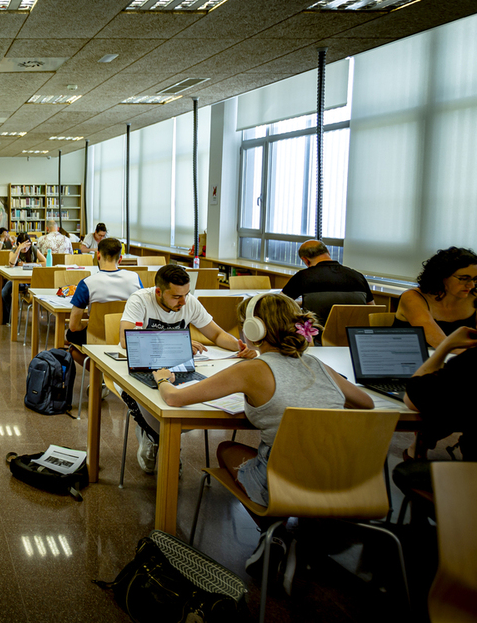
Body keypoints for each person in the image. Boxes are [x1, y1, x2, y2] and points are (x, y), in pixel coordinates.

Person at [150, 293, 373, 570]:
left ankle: (273, 533)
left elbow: (174, 399)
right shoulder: (317, 365)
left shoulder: (252, 370)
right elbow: (366, 403)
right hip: (347, 481)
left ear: (255, 329)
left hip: (282, 484)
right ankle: (310, 530)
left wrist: (162, 379)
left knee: (226, 449)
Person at [119, 264, 258, 474]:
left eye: (186, 294)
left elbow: (217, 335)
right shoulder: (140, 300)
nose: (183, 302)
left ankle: (162, 438)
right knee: (137, 394)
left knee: (197, 397)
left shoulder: (189, 302)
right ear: (159, 292)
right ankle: (156, 437)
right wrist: (178, 343)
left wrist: (240, 346)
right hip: (145, 366)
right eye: (176, 297)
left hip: (179, 368)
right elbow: (125, 340)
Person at [393, 325, 477, 519]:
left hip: (473, 475)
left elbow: (412, 399)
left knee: (407, 472)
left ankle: (435, 536)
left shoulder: (470, 363)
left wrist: (445, 347)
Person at [65, 238, 142, 363]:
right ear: (120, 259)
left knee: (70, 335)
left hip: (96, 336)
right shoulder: (135, 278)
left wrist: (89, 324)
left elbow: (73, 326)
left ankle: (97, 372)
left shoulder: (87, 283)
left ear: (98, 255)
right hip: (127, 337)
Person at [393, 246, 477, 348]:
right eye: (463, 279)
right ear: (442, 276)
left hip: (452, 360)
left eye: (475, 279)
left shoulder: (473, 296)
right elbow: (441, 343)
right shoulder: (413, 298)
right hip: (411, 360)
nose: (471, 285)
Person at [281, 240, 375, 305]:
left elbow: (280, 303)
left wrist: (303, 303)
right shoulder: (358, 276)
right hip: (353, 332)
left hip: (317, 331)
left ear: (305, 260)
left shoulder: (302, 277)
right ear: (328, 253)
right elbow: (371, 308)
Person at [0, 233, 46, 324]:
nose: (25, 249)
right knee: (4, 291)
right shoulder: (14, 250)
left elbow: (45, 262)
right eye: (23, 247)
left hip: (31, 280)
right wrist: (18, 249)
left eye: (27, 247)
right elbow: (11, 264)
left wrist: (27, 264)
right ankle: (9, 317)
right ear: (18, 244)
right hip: (16, 278)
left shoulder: (33, 249)